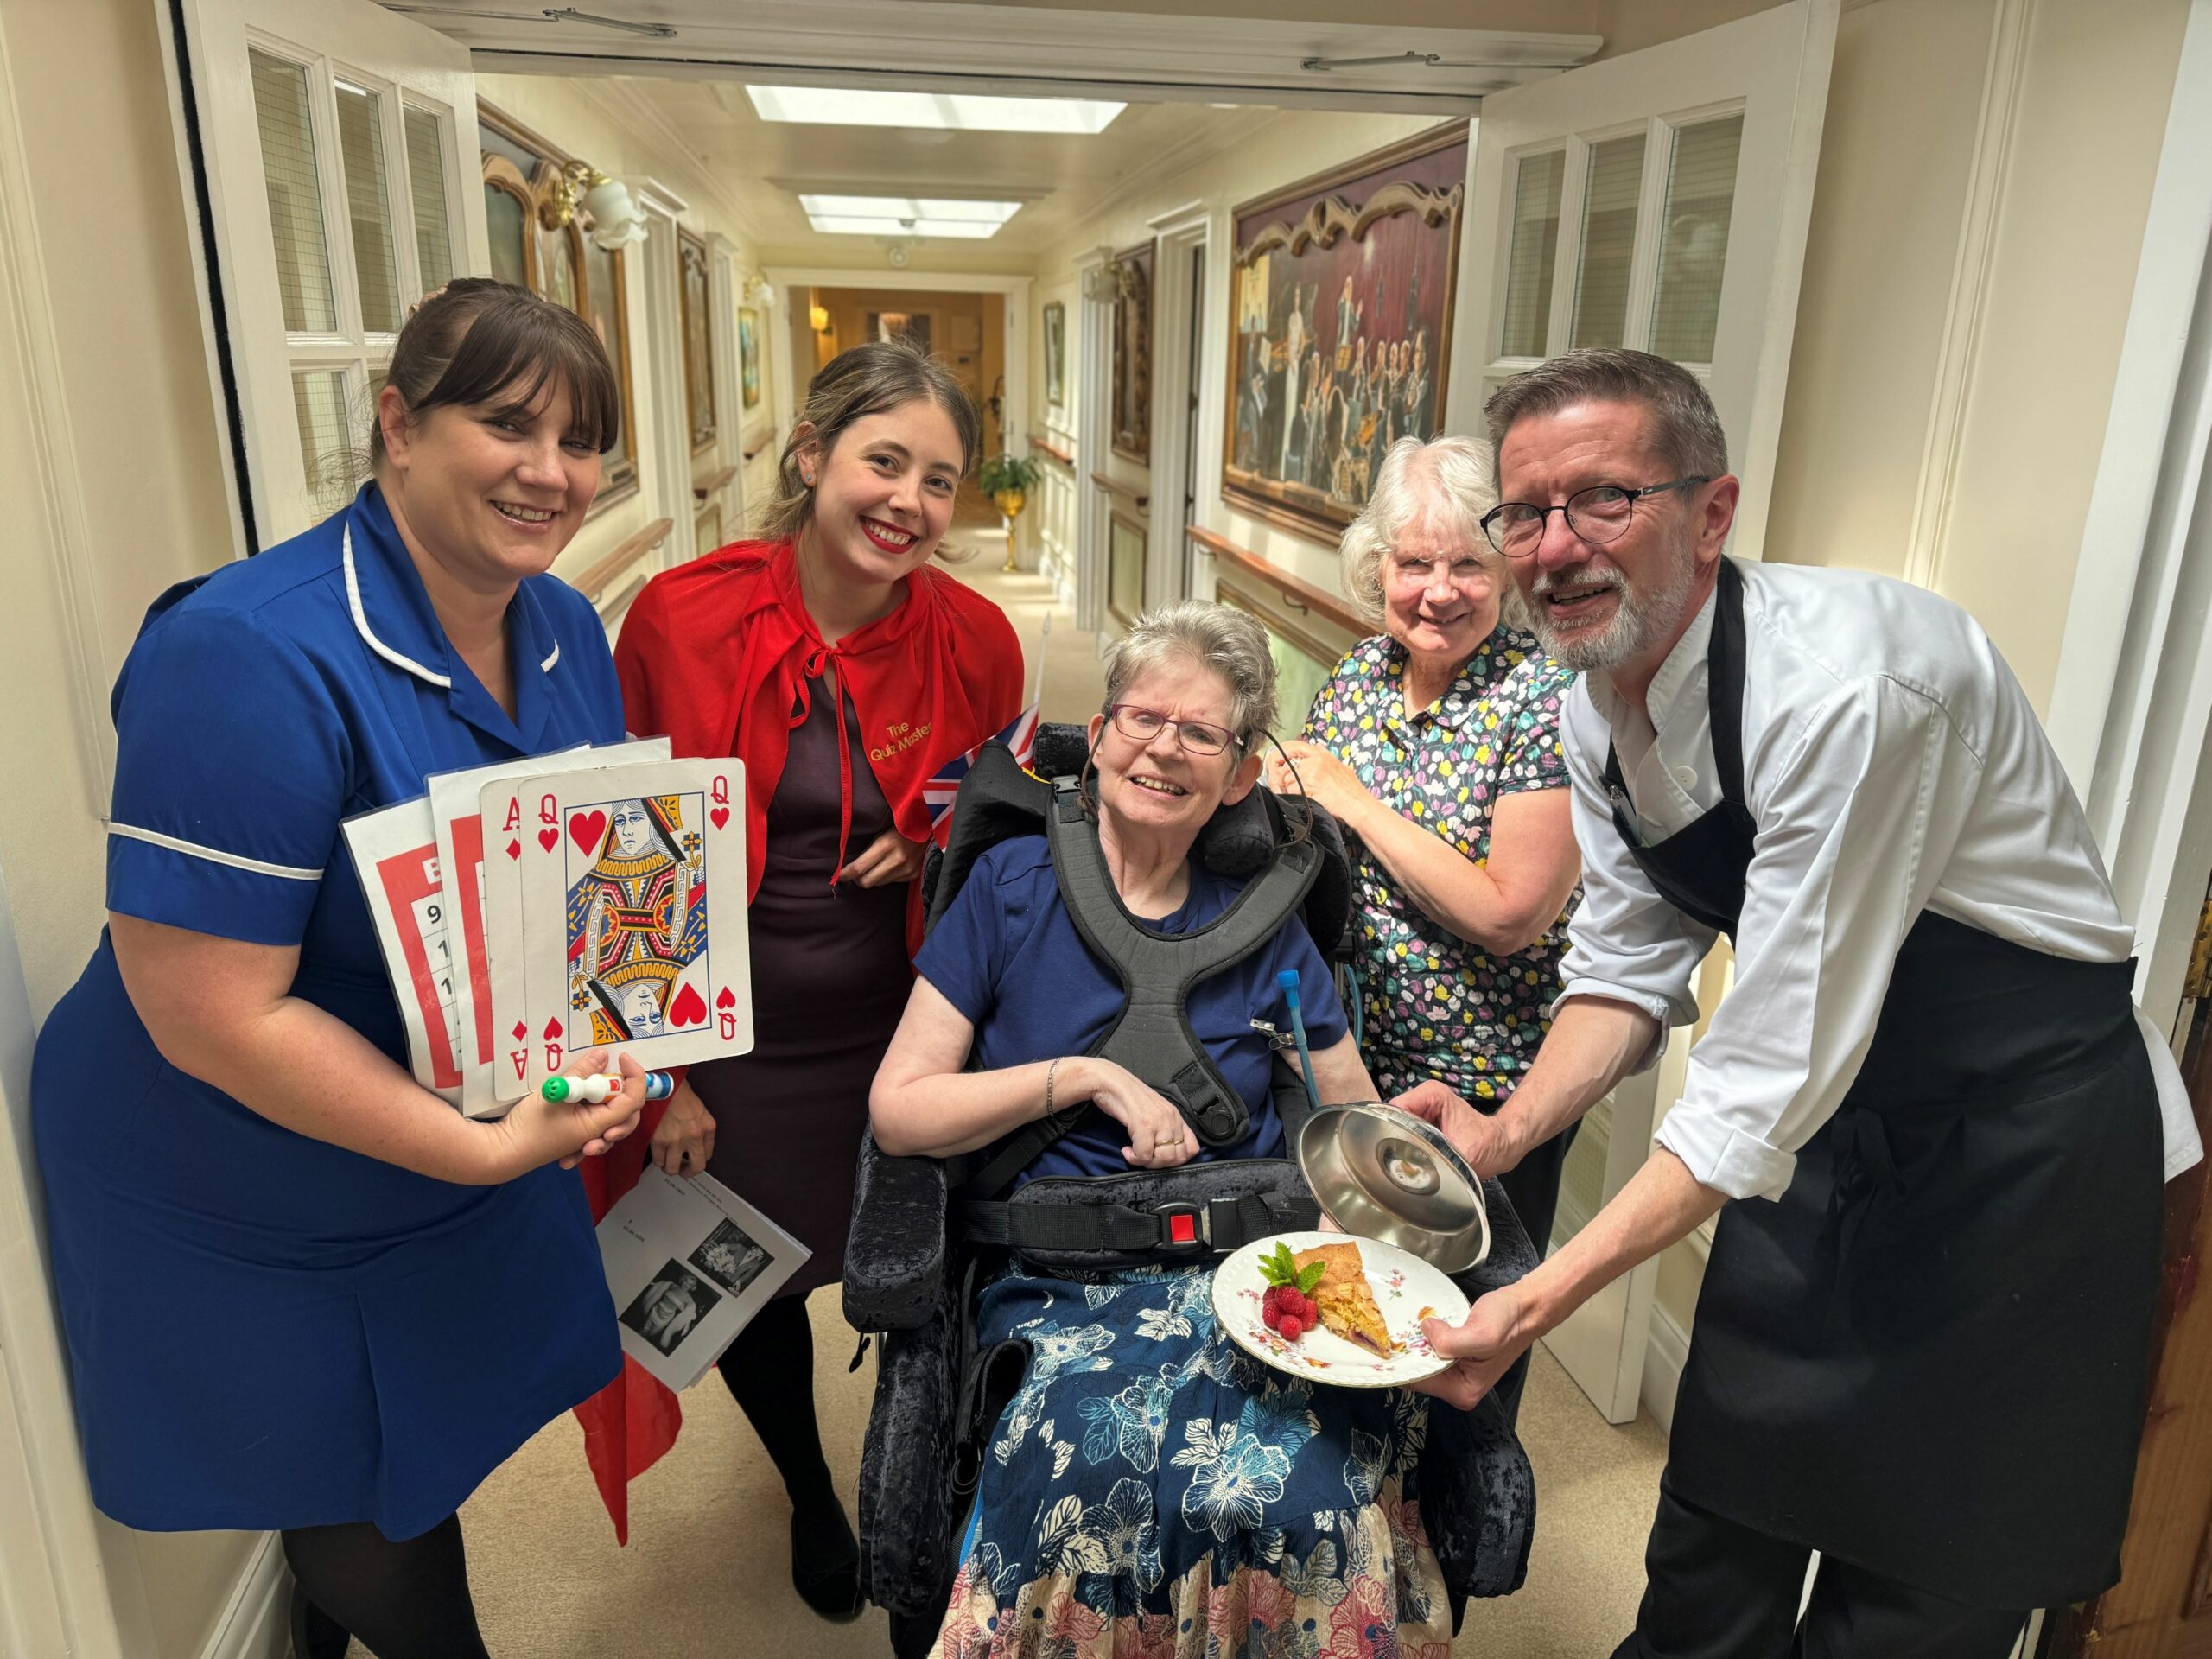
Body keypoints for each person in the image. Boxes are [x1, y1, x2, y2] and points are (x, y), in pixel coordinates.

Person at [1406, 347, 2203, 1656]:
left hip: (2020, 1163)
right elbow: (1622, 968)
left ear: (1712, 514)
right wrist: (1495, 1137)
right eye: (1527, 512)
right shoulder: (1595, 706)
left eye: (1605, 498)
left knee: (1917, 1599)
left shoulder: (1851, 688)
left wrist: (1537, 1295)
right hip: (1829, 1140)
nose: (1554, 547)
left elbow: (1763, 1076)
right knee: (1714, 1550)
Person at [32, 279, 652, 1659]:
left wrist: (608, 1042)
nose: (552, 473)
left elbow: (565, 883)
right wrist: (483, 1150)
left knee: (421, 1430)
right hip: (237, 1151)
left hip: (436, 1096)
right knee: (347, 1485)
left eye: (582, 439)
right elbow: (211, 1014)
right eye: (508, 425)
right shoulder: (245, 652)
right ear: (397, 425)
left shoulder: (562, 627)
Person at [870, 601, 1457, 1656]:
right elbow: (900, 1108)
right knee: (1088, 1482)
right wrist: (1078, 1077)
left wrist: (1393, 1140)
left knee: (1304, 1498)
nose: (1163, 748)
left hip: (1249, 1272)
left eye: (1202, 733)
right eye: (1143, 719)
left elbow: (1348, 1113)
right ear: (1096, 739)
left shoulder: (1271, 918)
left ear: (1239, 776)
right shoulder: (1009, 889)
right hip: (1058, 1277)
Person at [613, 337, 1023, 1620]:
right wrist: (660, 1073)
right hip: (730, 1042)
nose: (909, 502)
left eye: (940, 480)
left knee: (932, 1270)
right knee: (750, 1277)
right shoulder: (682, 616)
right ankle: (806, 1484)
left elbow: (1006, 806)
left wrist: (938, 820)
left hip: (904, 1024)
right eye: (883, 461)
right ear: (812, 457)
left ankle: (930, 1483)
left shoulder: (979, 636)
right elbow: (613, 853)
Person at [1271, 435, 1584, 1260]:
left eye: (1469, 567)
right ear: (1379, 568)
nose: (1438, 593)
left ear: (1510, 573)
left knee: (1468, 1324)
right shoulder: (1362, 671)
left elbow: (1511, 912)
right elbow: (1306, 831)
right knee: (1354, 1303)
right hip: (1349, 1063)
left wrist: (1350, 798)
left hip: (1488, 1092)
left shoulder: (1545, 698)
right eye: (1415, 564)